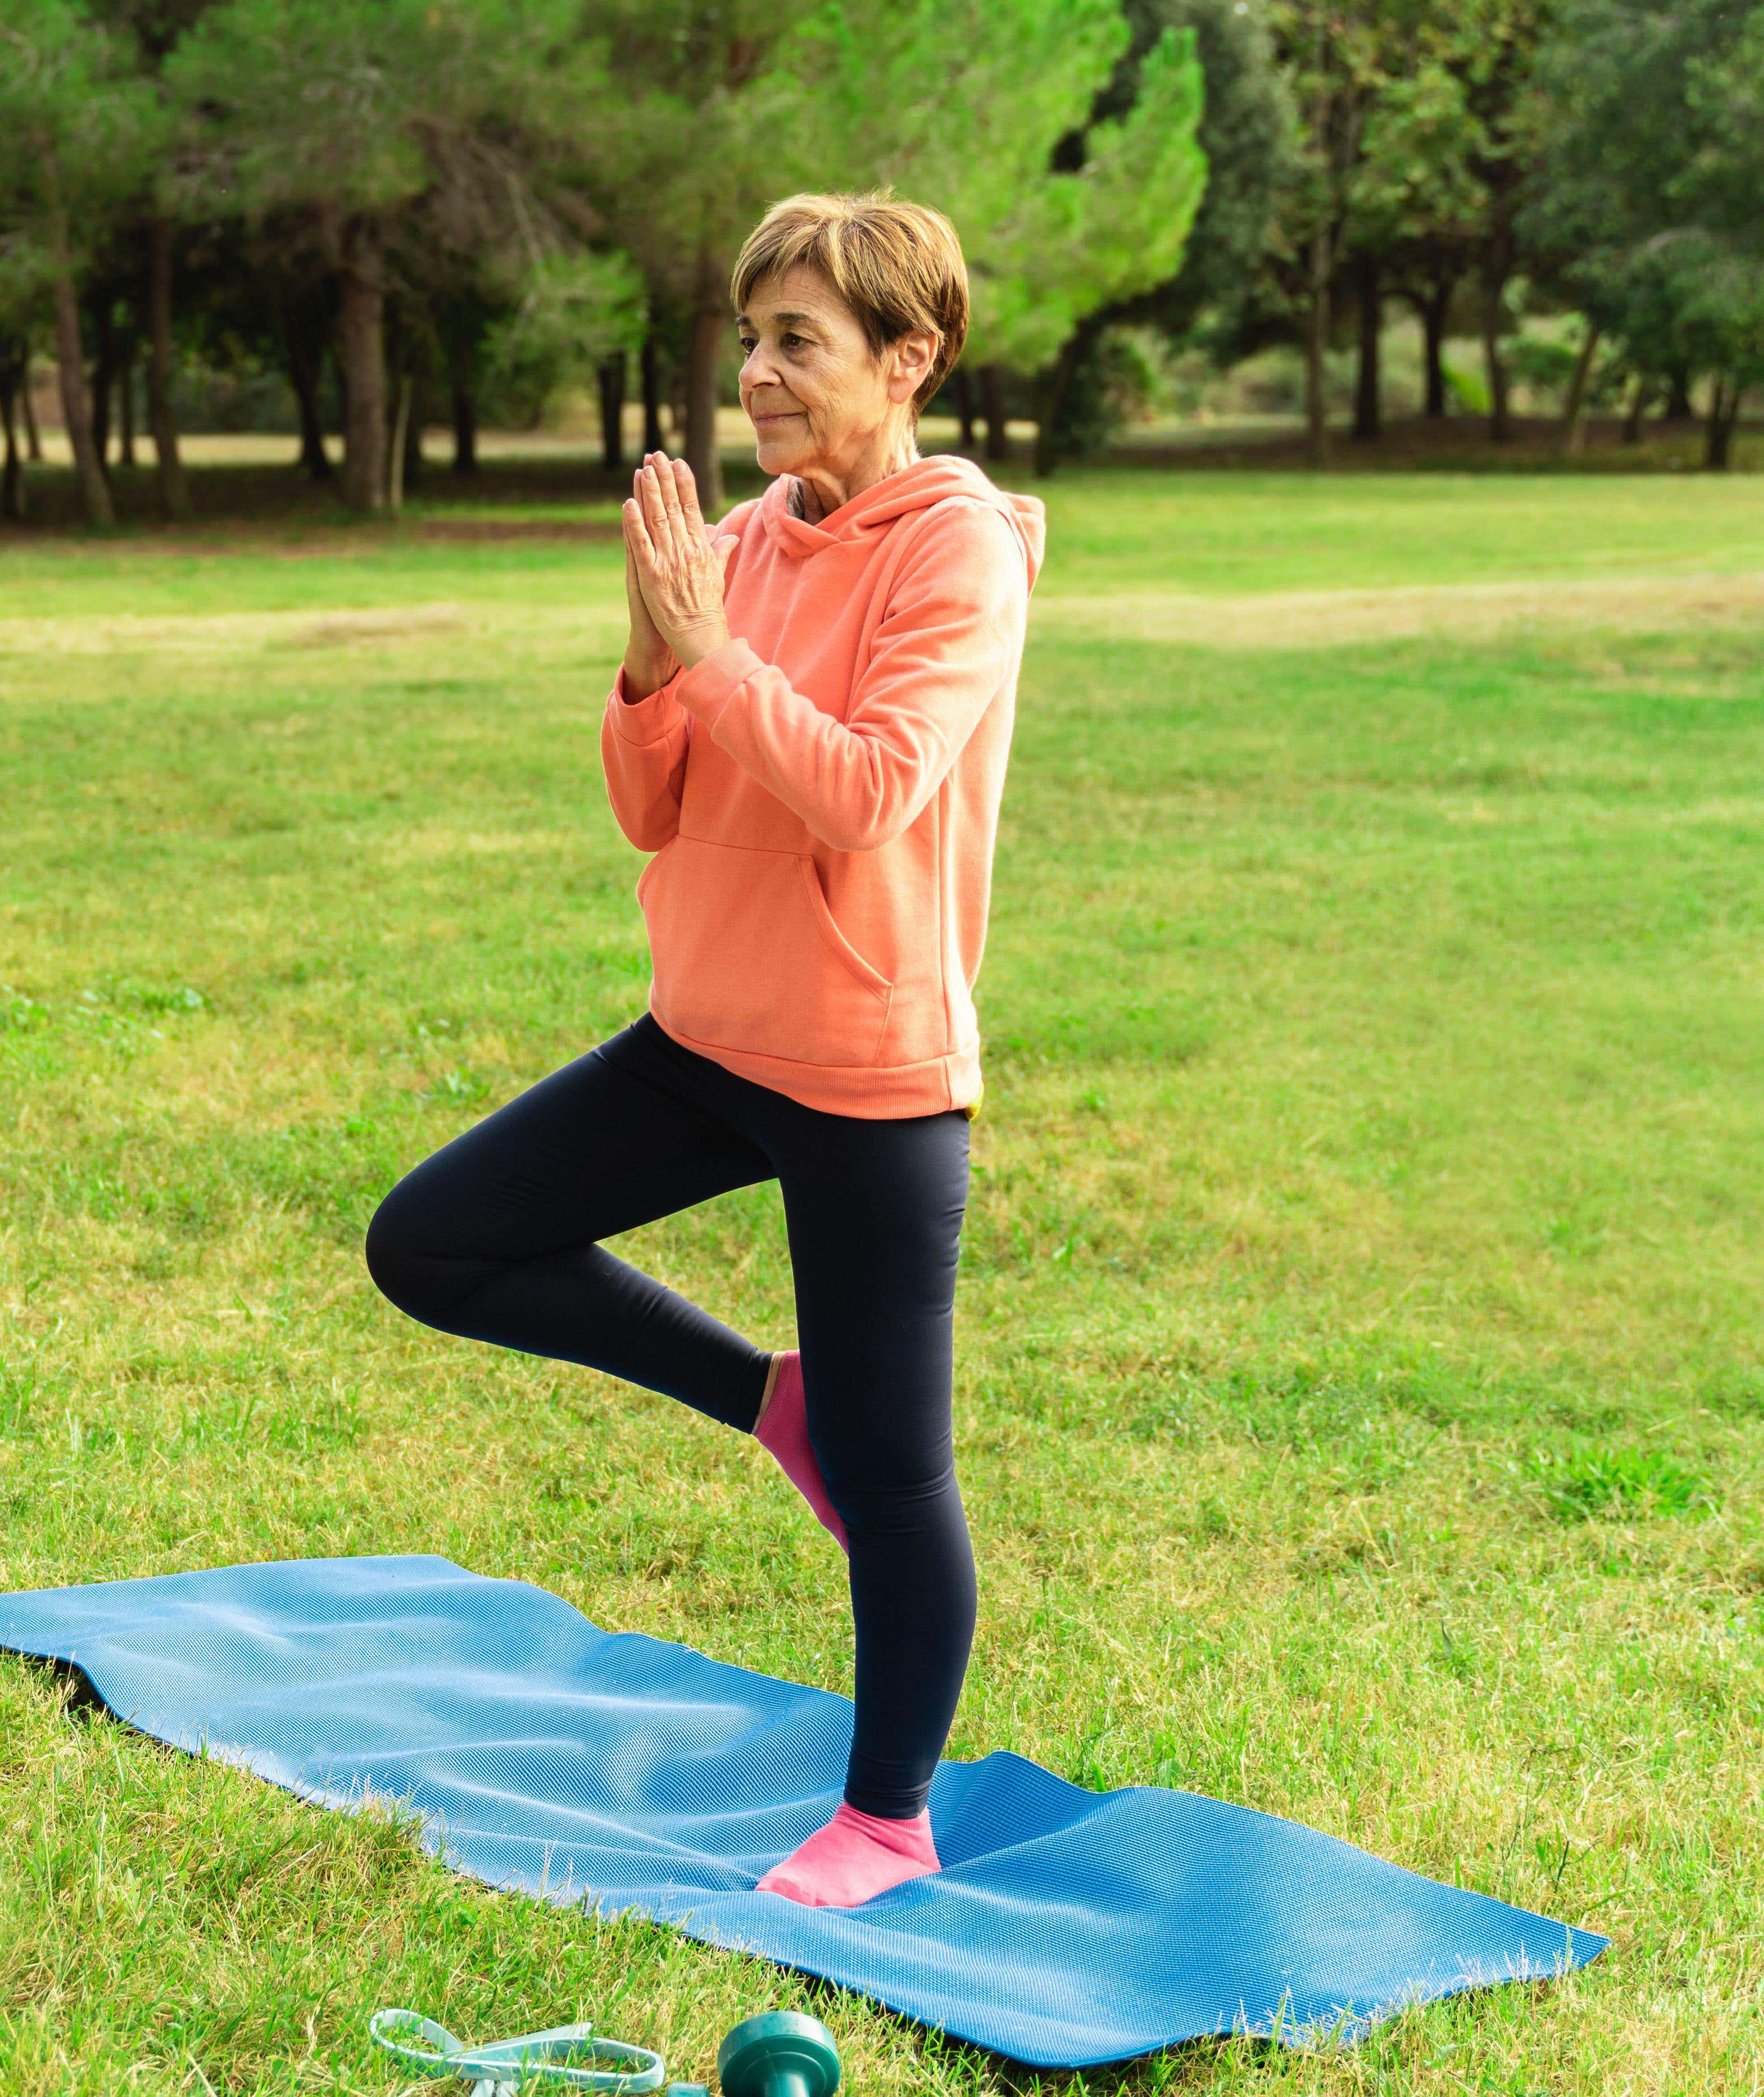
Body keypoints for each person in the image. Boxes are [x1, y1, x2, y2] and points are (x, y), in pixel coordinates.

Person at [364, 193, 1045, 1910]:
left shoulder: (957, 548)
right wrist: (648, 652)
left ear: (912, 358)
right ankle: (768, 1401)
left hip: (873, 1067)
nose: (757, 374)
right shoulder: (742, 541)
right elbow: (651, 805)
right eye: (751, 339)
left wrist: (718, 650)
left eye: (797, 341)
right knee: (433, 1238)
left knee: (899, 1477)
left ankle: (887, 1816)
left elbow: (869, 788)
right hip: (707, 1036)